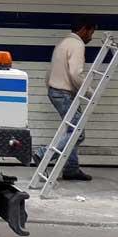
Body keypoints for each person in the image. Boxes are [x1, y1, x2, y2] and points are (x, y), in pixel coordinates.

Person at [32, 16, 97, 181]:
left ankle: (71, 169)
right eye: (91, 32)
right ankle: (43, 154)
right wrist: (90, 92)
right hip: (64, 94)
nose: (91, 37)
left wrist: (52, 87)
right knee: (77, 133)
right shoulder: (77, 45)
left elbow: (50, 71)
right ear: (84, 29)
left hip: (56, 92)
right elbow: (76, 73)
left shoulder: (63, 43)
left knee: (71, 130)